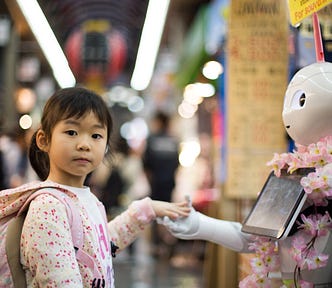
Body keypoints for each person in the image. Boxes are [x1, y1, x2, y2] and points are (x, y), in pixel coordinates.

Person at [160, 62, 332, 287]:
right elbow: (256, 237)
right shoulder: (291, 173)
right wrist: (200, 225)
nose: (289, 112)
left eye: (299, 100)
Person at [16, 87, 190, 287]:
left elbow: (98, 247)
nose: (84, 144)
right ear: (44, 140)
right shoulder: (48, 208)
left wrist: (146, 210)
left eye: (96, 135)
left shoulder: (85, 199)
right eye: (71, 132)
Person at [142, 111, 180, 256]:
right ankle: (169, 243)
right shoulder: (173, 141)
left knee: (155, 213)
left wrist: (150, 179)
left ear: (158, 122)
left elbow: (145, 164)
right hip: (169, 183)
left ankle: (157, 245)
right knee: (169, 212)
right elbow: (177, 164)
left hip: (155, 184)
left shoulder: (152, 140)